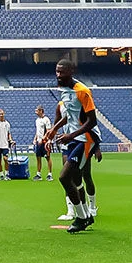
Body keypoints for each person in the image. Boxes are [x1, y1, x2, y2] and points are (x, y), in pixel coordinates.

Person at [51, 59, 100, 233]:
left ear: (71, 71)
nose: (58, 75)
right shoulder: (64, 91)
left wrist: (71, 135)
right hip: (74, 138)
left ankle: (81, 217)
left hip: (86, 139)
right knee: (76, 179)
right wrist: (54, 129)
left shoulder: (83, 92)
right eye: (57, 71)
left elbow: (92, 121)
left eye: (61, 72)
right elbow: (70, 115)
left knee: (65, 177)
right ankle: (86, 215)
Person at [32, 105, 53, 181]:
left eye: (37, 110)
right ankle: (38, 174)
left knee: (47, 157)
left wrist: (43, 139)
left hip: (45, 142)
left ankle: (50, 174)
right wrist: (35, 139)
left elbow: (48, 131)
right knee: (38, 157)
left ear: (41, 111)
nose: (36, 112)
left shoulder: (46, 119)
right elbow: (38, 131)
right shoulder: (37, 120)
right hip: (39, 141)